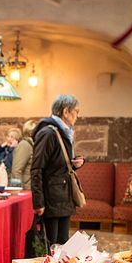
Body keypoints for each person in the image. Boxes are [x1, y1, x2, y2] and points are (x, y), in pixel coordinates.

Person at [31, 94, 85, 245]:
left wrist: (74, 163)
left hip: (62, 196)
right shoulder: (48, 133)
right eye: (76, 111)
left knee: (62, 244)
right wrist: (38, 202)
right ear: (66, 111)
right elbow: (37, 169)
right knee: (50, 245)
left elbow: (56, 163)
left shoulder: (63, 132)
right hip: (52, 198)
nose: (77, 116)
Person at [11, 119, 37, 189]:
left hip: (31, 187)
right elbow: (16, 170)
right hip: (26, 189)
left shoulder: (33, 144)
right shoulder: (24, 145)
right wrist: (18, 190)